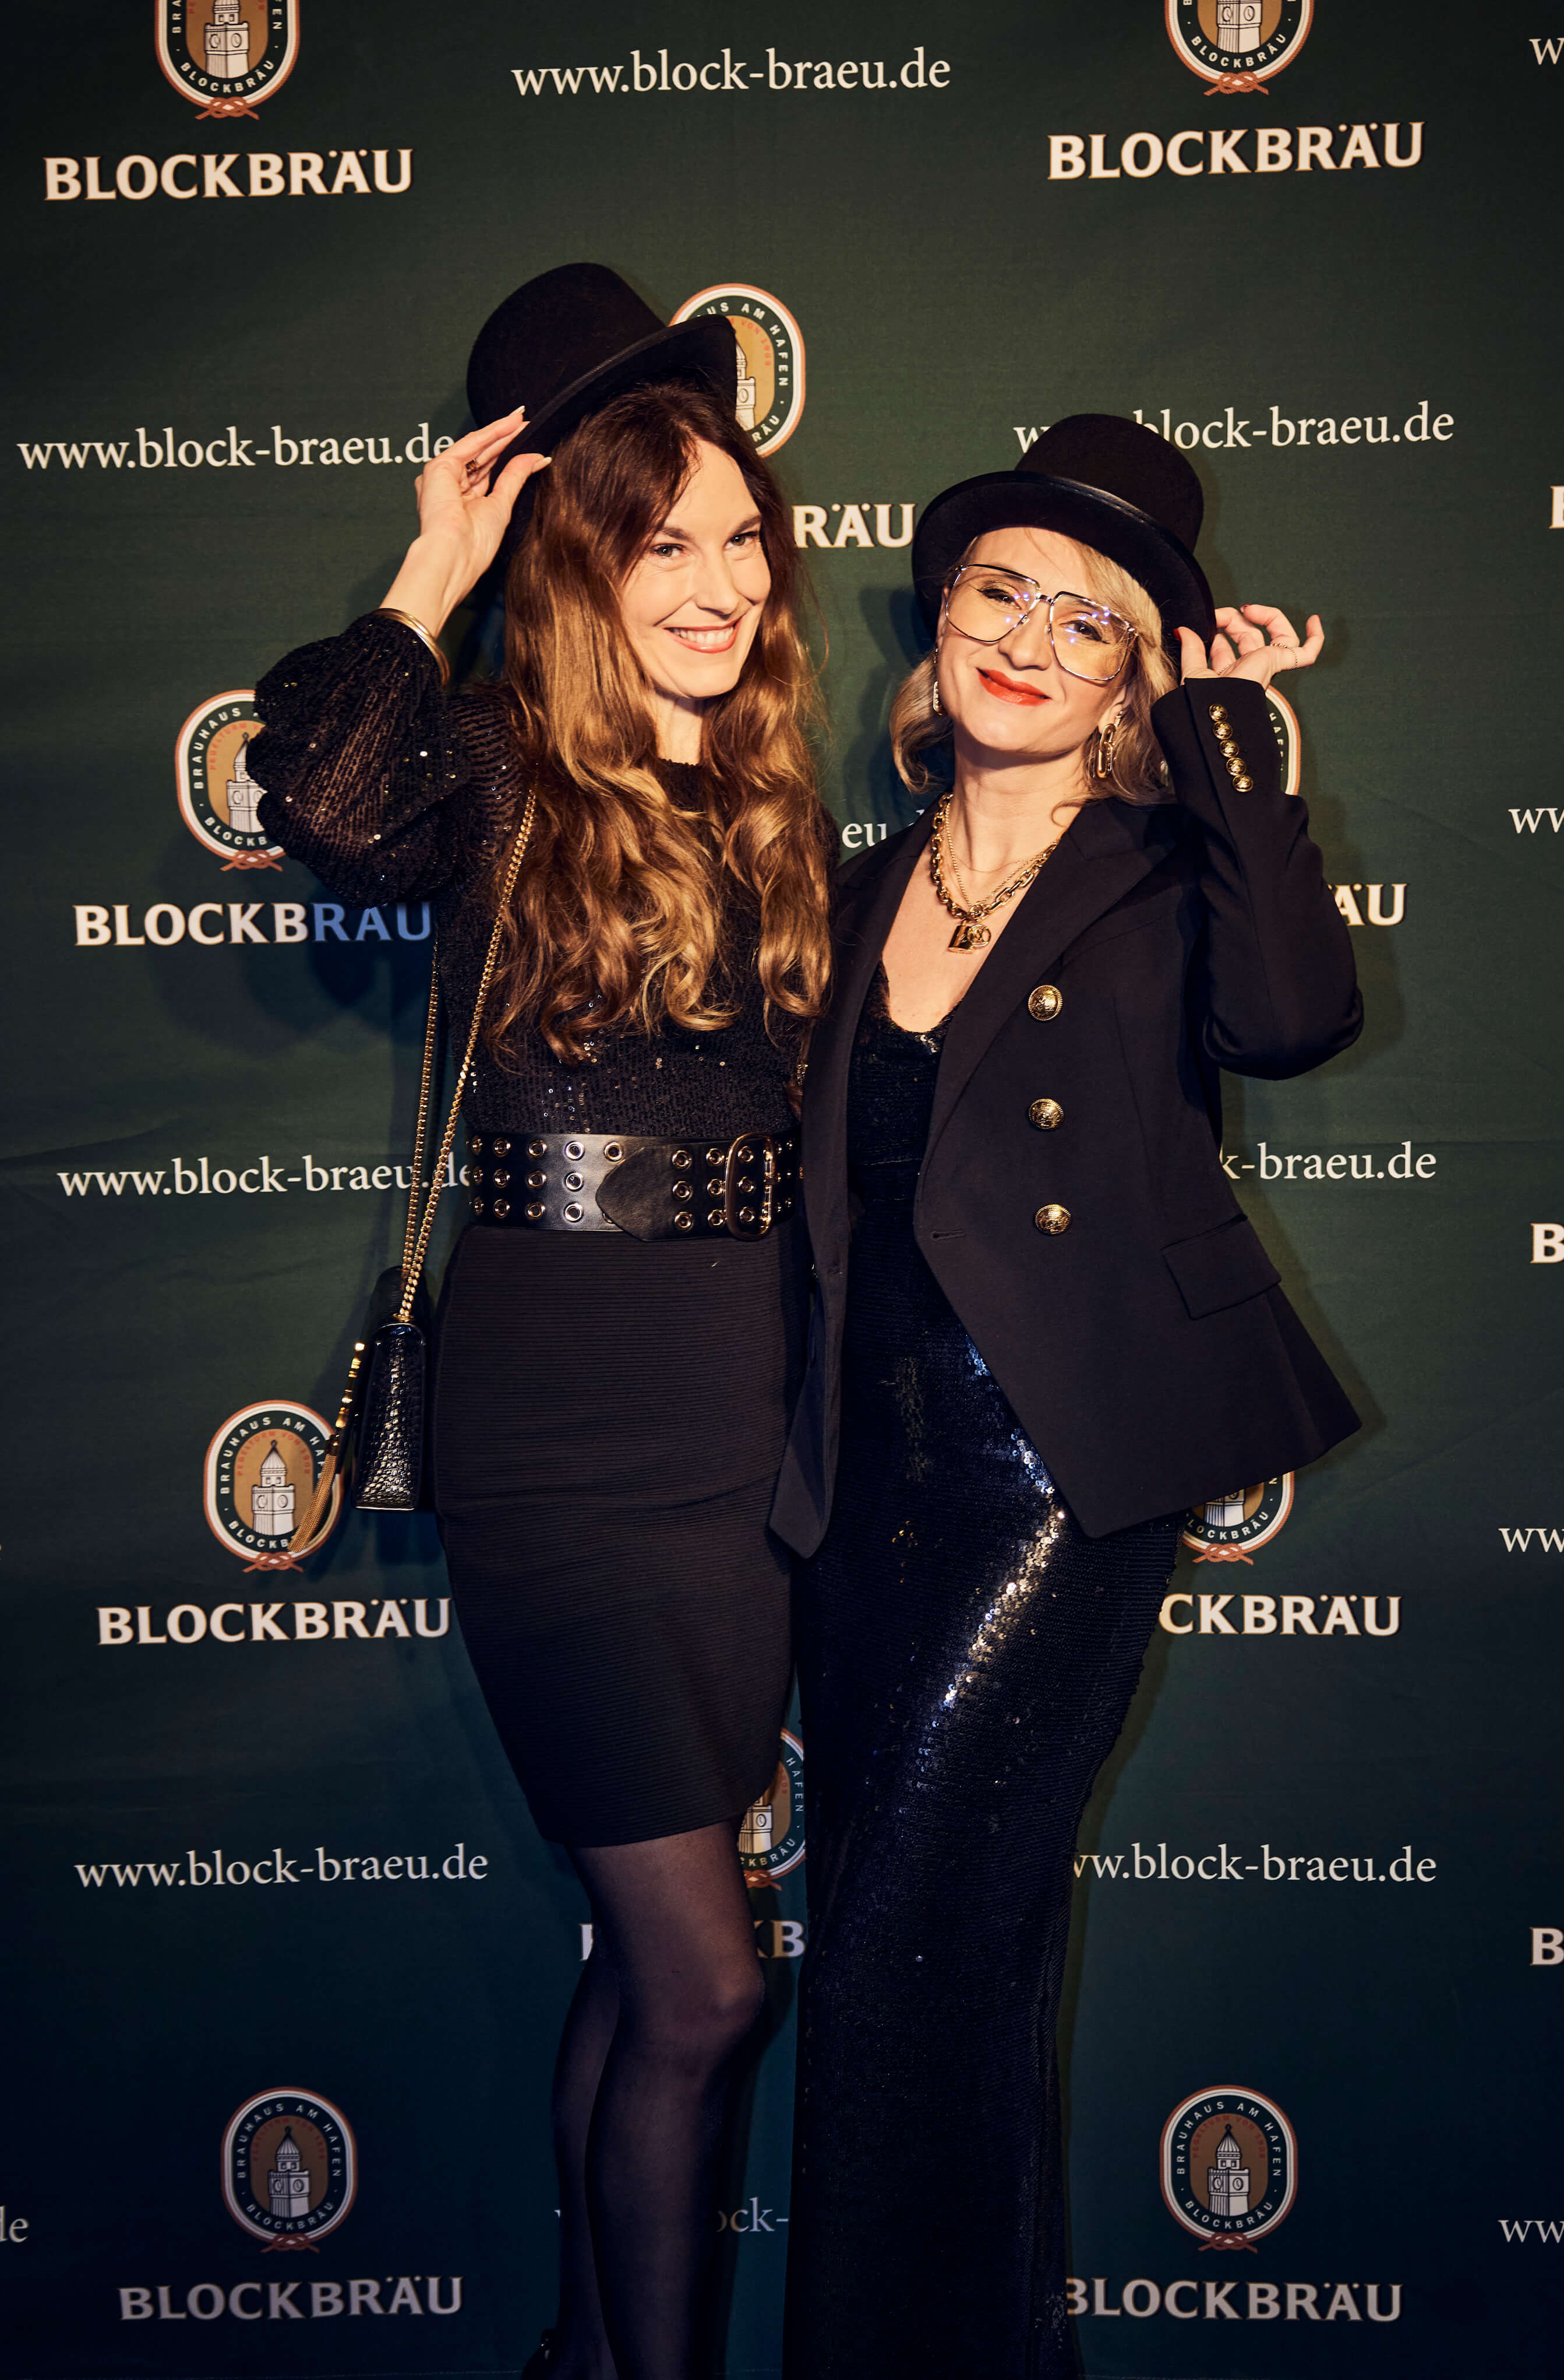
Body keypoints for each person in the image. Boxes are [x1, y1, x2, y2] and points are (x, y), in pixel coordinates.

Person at [247, 263, 832, 2380]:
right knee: (708, 1985)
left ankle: (581, 2354)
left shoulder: (773, 802)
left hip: (740, 1441)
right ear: (574, 560)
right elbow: (319, 800)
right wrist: (432, 569)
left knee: (647, 1966)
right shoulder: (493, 763)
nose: (721, 585)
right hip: (561, 1445)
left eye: (742, 541)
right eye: (662, 545)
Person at [774, 415, 1362, 2379]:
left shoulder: (1174, 866)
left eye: (1086, 620)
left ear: (1133, 678)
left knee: (899, 1966)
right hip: (858, 1486)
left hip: (1054, 1475)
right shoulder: (851, 883)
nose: (1027, 641)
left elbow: (1295, 1019)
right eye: (997, 593)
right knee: (931, 1960)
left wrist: (1236, 752)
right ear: (937, 622)